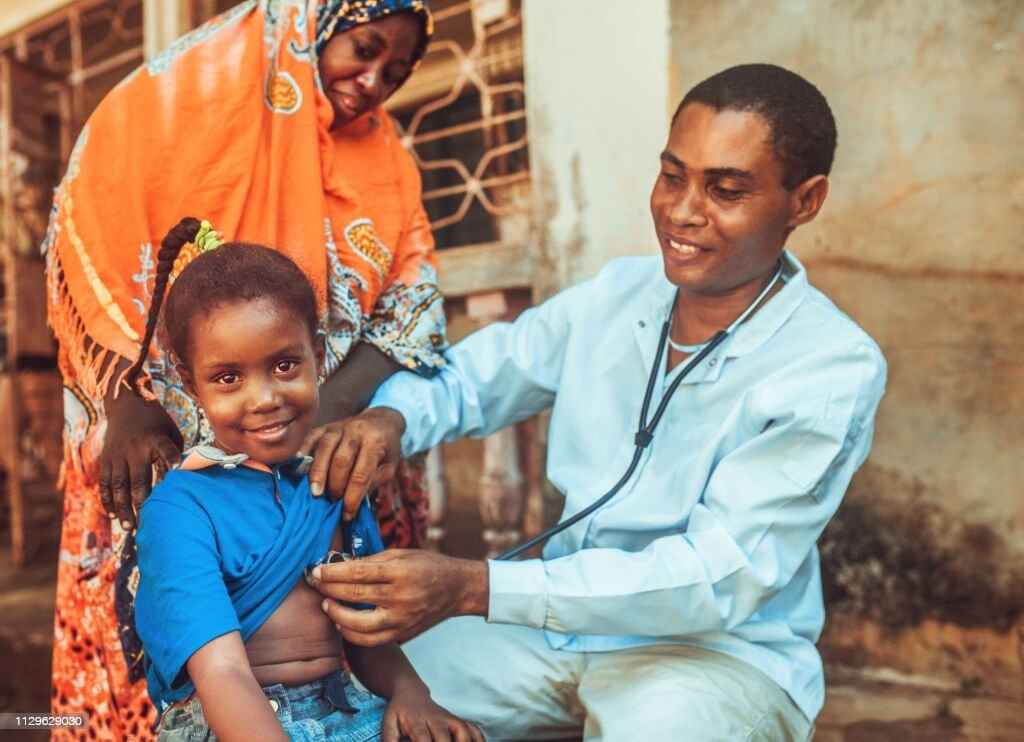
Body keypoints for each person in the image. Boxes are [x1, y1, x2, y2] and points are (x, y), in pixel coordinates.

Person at [307, 63, 888, 740]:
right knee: (334, 693)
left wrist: (475, 587)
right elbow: (474, 377)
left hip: (716, 658)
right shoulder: (618, 294)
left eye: (725, 190)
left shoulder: (830, 364)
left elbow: (716, 577)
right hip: (554, 634)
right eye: (673, 175)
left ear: (804, 201)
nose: (681, 210)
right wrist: (391, 417)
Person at [43, 1, 447, 738]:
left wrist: (320, 411)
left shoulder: (385, 156)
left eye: (397, 70)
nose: (373, 81)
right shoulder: (167, 106)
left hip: (318, 450)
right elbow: (90, 244)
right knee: (192, 654)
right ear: (314, 26)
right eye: (362, 50)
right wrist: (124, 404)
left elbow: (411, 307)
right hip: (164, 448)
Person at [131, 219, 479, 742]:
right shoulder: (181, 511)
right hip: (231, 720)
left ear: (317, 354)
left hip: (342, 705)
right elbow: (223, 674)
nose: (264, 397)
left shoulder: (331, 478)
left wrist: (412, 693)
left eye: (285, 365)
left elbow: (363, 629)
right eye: (229, 378)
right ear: (189, 381)